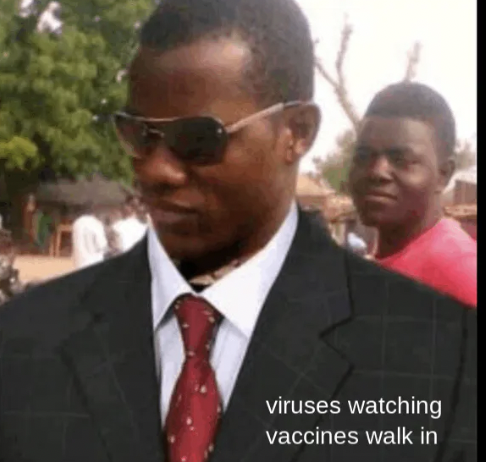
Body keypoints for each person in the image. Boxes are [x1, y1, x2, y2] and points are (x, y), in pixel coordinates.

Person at [0, 1, 476, 461]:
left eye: (198, 138)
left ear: (297, 132)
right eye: (139, 134)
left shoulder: (446, 354)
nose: (156, 169)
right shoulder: (24, 339)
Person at [349, 82, 477, 308]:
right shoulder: (386, 259)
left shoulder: (457, 272)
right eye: (364, 156)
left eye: (401, 160)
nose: (376, 172)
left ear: (443, 175)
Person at [71, 204, 108, 269]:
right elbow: (101, 244)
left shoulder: (77, 222)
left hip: (79, 262)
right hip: (93, 262)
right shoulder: (96, 223)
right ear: (93, 212)